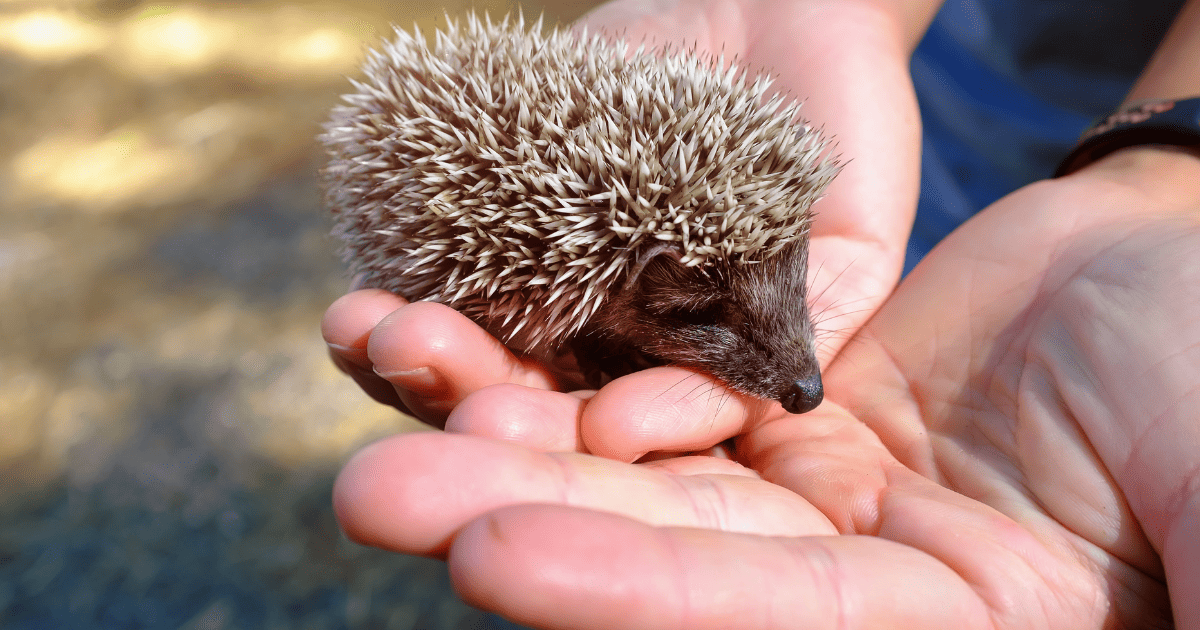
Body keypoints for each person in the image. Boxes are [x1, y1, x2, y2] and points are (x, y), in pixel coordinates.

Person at [322, 0, 1200, 627]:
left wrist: (1165, 178)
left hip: (996, 203)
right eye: (718, 322)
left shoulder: (754, 224)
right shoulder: (575, 269)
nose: (799, 381)